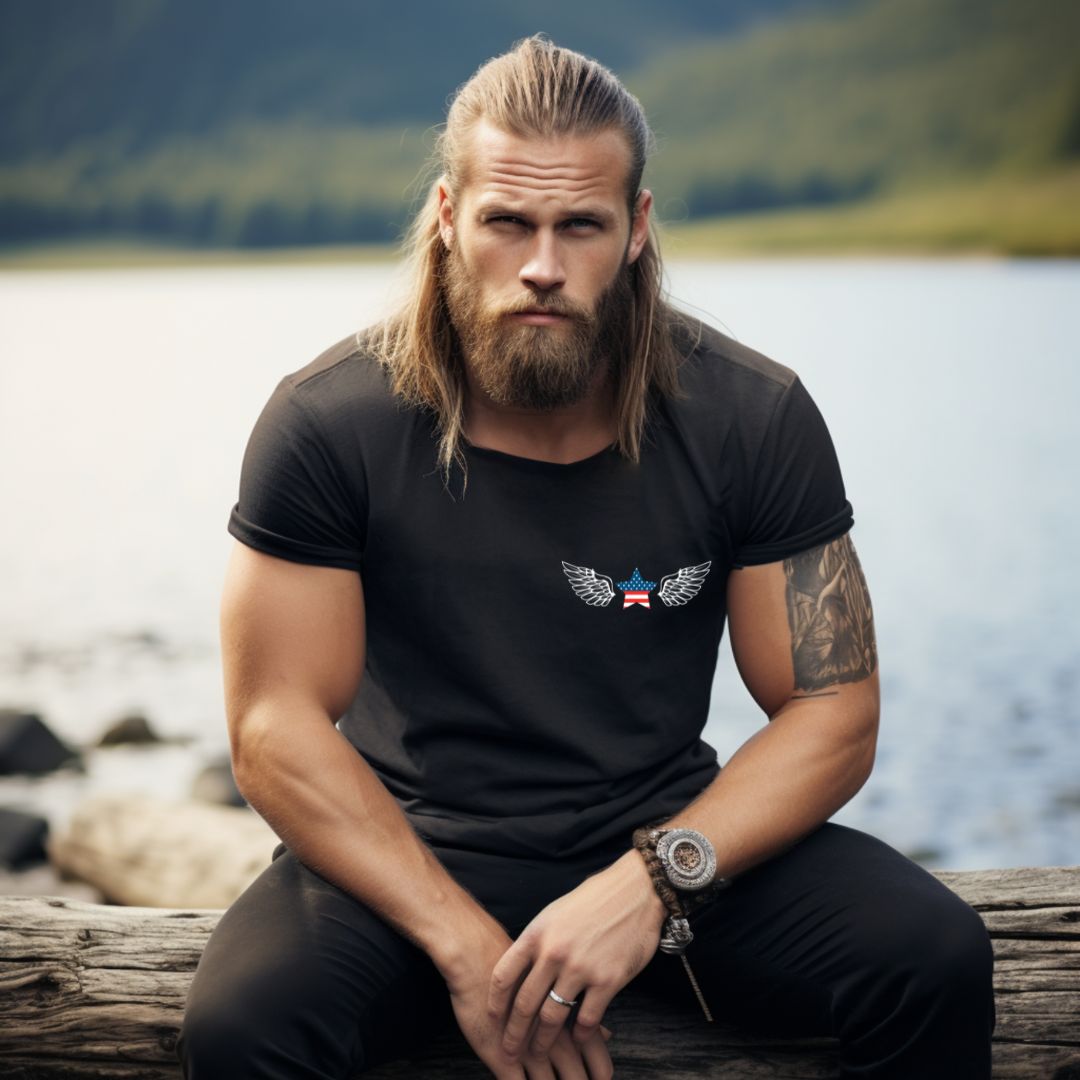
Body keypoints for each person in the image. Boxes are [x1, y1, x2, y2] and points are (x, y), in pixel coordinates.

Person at [177, 35, 995, 1080]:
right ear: (445, 217)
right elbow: (272, 725)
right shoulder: (328, 422)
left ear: (638, 228)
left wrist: (657, 882)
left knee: (932, 957)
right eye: (506, 223)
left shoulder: (754, 415)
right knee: (247, 1028)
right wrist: (463, 945)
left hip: (660, 843)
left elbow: (835, 711)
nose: (542, 267)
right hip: (413, 851)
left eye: (582, 226)